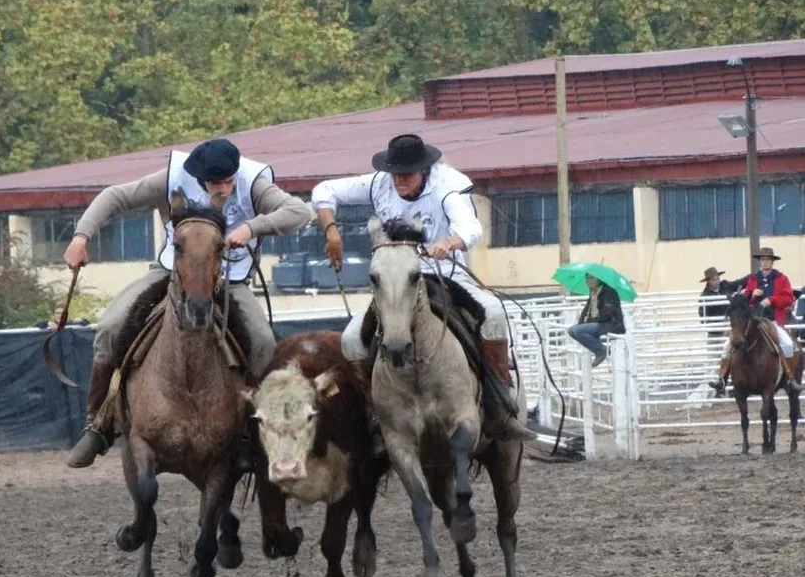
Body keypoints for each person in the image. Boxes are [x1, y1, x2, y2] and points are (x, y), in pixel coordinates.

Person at [62, 138, 313, 468]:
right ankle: (98, 424)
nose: (223, 188)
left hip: (229, 280)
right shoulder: (173, 177)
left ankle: (253, 434)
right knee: (110, 327)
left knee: (263, 343)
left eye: (228, 180)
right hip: (170, 273)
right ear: (199, 179)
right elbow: (115, 196)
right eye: (215, 182)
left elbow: (300, 211)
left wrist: (252, 227)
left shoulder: (254, 182)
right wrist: (82, 236)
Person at [312, 133, 533, 440]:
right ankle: (375, 414)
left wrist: (450, 242)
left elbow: (470, 228)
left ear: (424, 170)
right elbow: (323, 191)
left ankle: (499, 406)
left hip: (444, 275)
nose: (399, 181)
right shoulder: (378, 183)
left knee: (493, 313)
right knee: (351, 340)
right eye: (395, 173)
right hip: (395, 283)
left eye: (406, 174)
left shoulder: (447, 186)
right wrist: (331, 231)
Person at [709, 247, 801, 394]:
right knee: (727, 345)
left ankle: (790, 378)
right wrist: (752, 295)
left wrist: (772, 300)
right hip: (753, 322)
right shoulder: (753, 279)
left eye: (767, 260)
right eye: (762, 260)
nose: (765, 262)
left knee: (788, 344)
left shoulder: (781, 279)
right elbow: (744, 302)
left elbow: (788, 298)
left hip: (773, 320)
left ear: (772, 261)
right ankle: (722, 380)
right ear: (760, 262)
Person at [566, 274, 626, 368]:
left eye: (592, 278)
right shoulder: (593, 292)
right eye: (587, 278)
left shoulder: (608, 292)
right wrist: (581, 323)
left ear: (599, 279)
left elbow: (608, 314)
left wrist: (590, 322)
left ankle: (601, 351)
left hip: (611, 324)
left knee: (577, 331)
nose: (589, 281)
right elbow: (586, 310)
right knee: (571, 331)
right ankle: (599, 348)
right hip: (598, 323)